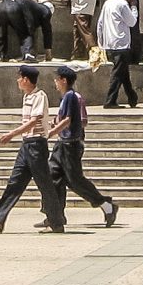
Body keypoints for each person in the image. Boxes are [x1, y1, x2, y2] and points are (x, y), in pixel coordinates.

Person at [0, 65, 64, 233]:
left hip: (36, 145)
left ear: (26, 79)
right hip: (27, 145)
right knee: (15, 182)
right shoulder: (27, 97)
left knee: (45, 184)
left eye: (19, 78)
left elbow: (34, 121)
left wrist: (12, 134)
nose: (18, 81)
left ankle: (56, 221)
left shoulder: (40, 96)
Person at [48, 64, 119, 227]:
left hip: (70, 145)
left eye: (57, 79)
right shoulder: (65, 97)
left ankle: (106, 205)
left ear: (63, 80)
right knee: (53, 176)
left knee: (75, 180)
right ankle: (55, 214)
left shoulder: (72, 96)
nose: (55, 82)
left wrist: (50, 133)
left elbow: (68, 120)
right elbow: (63, 118)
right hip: (62, 144)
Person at [97, 0, 142, 108]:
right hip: (121, 43)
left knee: (123, 72)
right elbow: (132, 22)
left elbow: (100, 23)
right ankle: (110, 101)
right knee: (117, 73)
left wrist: (101, 42)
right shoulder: (123, 5)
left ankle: (132, 98)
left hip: (110, 43)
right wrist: (133, 7)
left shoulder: (108, 3)